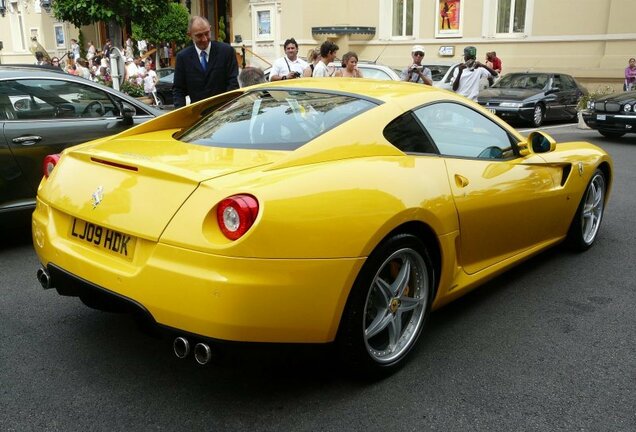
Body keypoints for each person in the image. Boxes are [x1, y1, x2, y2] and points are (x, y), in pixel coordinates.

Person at [173, 16, 239, 108]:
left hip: (224, 114)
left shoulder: (226, 52)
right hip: (198, 116)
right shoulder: (183, 57)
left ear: (210, 29)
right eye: (199, 35)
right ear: (190, 35)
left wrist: (227, 109)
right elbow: (178, 90)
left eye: (207, 33)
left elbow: (233, 83)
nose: (204, 39)